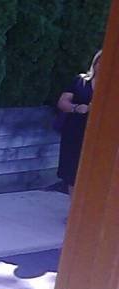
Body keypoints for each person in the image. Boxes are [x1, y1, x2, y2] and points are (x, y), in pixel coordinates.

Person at [56, 49, 101, 195]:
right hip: (75, 131)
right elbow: (63, 102)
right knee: (72, 171)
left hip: (99, 135)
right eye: (99, 61)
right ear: (95, 63)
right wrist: (76, 108)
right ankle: (73, 211)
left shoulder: (112, 87)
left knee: (94, 170)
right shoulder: (81, 81)